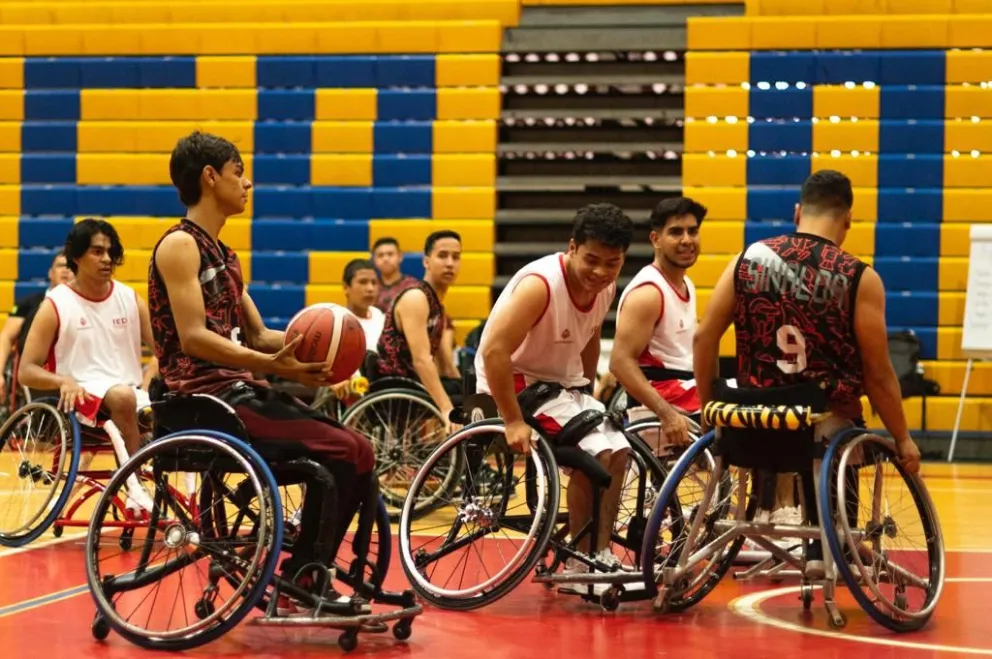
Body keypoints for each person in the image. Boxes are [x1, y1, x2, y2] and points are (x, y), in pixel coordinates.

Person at [149, 130, 375, 612]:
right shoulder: (179, 246)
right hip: (202, 401)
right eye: (239, 173)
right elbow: (193, 338)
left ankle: (311, 570)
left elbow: (261, 336)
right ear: (210, 178)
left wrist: (321, 353)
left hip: (237, 391)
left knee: (359, 449)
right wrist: (268, 365)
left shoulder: (226, 257)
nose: (248, 184)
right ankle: (307, 576)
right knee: (341, 450)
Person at [693, 169, 922, 575]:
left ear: (797, 212)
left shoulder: (748, 259)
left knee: (792, 418)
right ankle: (835, 542)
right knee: (844, 422)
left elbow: (703, 338)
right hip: (822, 430)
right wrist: (903, 438)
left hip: (751, 428)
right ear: (848, 220)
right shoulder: (858, 277)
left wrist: (712, 411)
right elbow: (878, 374)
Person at [475, 203, 635, 592]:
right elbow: (495, 352)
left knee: (620, 450)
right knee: (594, 452)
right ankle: (578, 566)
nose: (600, 272)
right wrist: (512, 420)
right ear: (572, 248)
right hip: (513, 383)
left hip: (559, 387)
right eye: (591, 260)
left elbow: (591, 336)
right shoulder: (540, 285)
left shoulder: (606, 286)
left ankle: (599, 555)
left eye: (611, 263)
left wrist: (586, 390)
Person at [18, 220, 159, 512]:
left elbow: (164, 352)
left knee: (174, 402)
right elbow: (26, 370)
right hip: (80, 396)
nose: (107, 259)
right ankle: (135, 485)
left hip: (131, 393)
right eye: (97, 251)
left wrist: (150, 379)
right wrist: (61, 381)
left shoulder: (130, 298)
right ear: (78, 256)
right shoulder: (55, 305)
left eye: (110, 251)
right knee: (122, 396)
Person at [610, 197, 705, 450]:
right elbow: (619, 363)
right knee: (742, 413)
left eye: (693, 231)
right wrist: (667, 414)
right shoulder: (649, 293)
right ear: (655, 239)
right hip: (660, 399)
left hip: (684, 388)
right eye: (676, 232)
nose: (687, 240)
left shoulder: (687, 284)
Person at [375, 230, 463, 429]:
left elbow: (445, 363)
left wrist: (467, 388)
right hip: (397, 386)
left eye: (456, 257)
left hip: (415, 384)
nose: (450, 263)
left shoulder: (437, 303)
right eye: (442, 256)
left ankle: (470, 458)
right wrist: (447, 408)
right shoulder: (416, 298)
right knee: (458, 399)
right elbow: (421, 360)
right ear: (426, 262)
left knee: (474, 392)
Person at [0, 251, 72, 400]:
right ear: (50, 273)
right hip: (36, 371)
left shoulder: (83, 306)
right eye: (60, 266)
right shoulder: (28, 303)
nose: (65, 270)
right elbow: (6, 337)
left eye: (70, 266)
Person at [327, 258, 385, 402]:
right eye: (363, 282)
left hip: (381, 391)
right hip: (350, 394)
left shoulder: (380, 316)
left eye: (374, 282)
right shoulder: (337, 321)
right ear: (346, 287)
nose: (370, 288)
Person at [372, 237, 419, 313]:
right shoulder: (370, 287)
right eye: (380, 255)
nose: (385, 259)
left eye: (390, 254)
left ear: (400, 256)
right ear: (374, 260)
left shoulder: (413, 286)